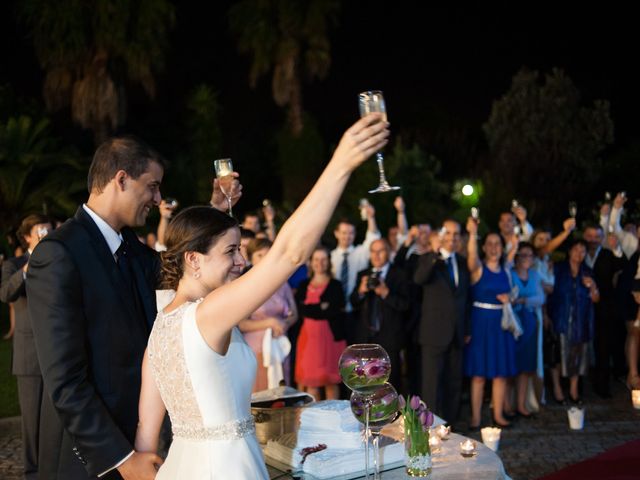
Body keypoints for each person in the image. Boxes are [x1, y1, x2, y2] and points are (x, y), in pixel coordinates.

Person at [133, 113, 389, 478]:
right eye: (231, 252)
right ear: (193, 259)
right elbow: (289, 254)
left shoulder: (160, 326)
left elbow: (145, 441)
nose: (241, 262)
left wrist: (215, 214)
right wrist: (341, 163)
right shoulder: (209, 313)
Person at [26, 135, 241, 480]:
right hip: (90, 458)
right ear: (122, 179)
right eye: (152, 186)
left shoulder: (131, 247)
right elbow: (65, 380)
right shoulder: (58, 254)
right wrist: (122, 458)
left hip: (140, 440)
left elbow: (181, 267)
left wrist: (214, 213)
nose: (157, 199)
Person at [0, 214, 52, 479]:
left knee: (57, 423)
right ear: (28, 236)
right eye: (41, 231)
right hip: (29, 357)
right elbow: (6, 293)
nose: (45, 235)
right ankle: (33, 474)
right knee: (31, 423)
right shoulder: (15, 264)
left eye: (49, 231)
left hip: (57, 354)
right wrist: (28, 268)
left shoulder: (58, 263)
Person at [414, 219, 470, 425]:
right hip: (433, 333)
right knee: (432, 384)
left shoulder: (463, 262)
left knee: (454, 382)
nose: (452, 238)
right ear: (440, 236)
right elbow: (419, 279)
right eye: (448, 234)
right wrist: (435, 256)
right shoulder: (428, 259)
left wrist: (467, 328)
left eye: (456, 235)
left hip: (457, 333)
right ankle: (431, 426)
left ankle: (450, 426)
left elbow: (466, 298)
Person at [464, 219, 517, 429]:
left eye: (498, 244)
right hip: (480, 324)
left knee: (500, 374)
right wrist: (472, 233)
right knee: (478, 375)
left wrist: (509, 299)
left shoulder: (506, 268)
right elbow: (470, 255)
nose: (495, 247)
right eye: (490, 244)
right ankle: (476, 417)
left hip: (501, 324)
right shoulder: (477, 268)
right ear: (484, 247)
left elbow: (515, 242)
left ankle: (499, 415)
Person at [239, 238, 297, 391]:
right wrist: (269, 322)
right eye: (260, 255)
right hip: (256, 349)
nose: (265, 259)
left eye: (268, 254)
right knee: (261, 394)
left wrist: (284, 323)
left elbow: (294, 314)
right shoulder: (245, 284)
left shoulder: (282, 282)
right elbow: (241, 323)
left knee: (281, 392)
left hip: (279, 346)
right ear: (251, 258)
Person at [351, 239, 410, 390]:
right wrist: (360, 291)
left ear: (389, 253)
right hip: (366, 339)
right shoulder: (363, 275)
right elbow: (353, 302)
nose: (376, 255)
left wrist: (386, 293)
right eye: (373, 251)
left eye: (381, 251)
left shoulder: (400, 275)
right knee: (366, 384)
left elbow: (406, 305)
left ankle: (391, 413)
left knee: (390, 384)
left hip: (390, 340)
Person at [547, 239, 599, 405]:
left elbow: (596, 298)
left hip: (581, 320)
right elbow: (549, 293)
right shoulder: (558, 269)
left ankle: (574, 390)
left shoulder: (588, 272)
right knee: (557, 354)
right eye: (576, 249)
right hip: (560, 317)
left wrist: (592, 287)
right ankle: (557, 389)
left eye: (583, 251)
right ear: (570, 251)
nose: (579, 253)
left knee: (579, 356)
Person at [294, 246, 346, 399]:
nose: (320, 263)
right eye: (316, 259)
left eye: (324, 259)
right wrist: (321, 308)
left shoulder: (336, 285)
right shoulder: (303, 285)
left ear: (329, 262)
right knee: (312, 386)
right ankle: (315, 421)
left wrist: (312, 308)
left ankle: (334, 421)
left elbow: (335, 309)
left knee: (331, 383)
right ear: (311, 262)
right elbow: (301, 310)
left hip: (331, 340)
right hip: (309, 341)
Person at [509, 242, 544, 417]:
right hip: (513, 323)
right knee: (511, 364)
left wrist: (523, 300)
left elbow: (541, 298)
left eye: (529, 255)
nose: (526, 258)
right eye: (522, 254)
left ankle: (522, 405)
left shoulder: (535, 275)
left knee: (526, 367)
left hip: (530, 322)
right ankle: (507, 405)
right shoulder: (510, 273)